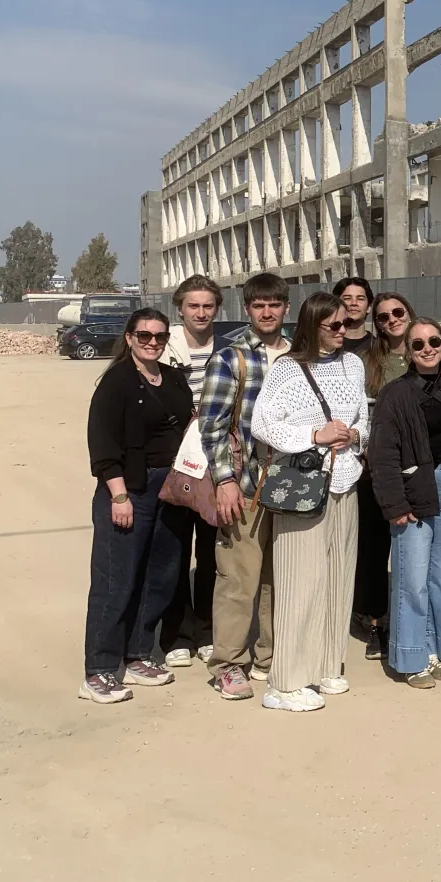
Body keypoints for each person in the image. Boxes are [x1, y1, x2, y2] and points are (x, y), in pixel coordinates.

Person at [250, 292, 369, 712]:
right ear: (312, 325)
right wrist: (314, 436)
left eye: (346, 324)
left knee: (339, 577)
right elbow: (262, 425)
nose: (343, 331)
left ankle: (325, 665)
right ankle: (285, 682)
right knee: (301, 580)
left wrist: (355, 437)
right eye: (334, 325)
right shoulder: (287, 369)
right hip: (303, 483)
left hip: (346, 480)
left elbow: (361, 422)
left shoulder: (353, 365)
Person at [80, 308, 193, 703]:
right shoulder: (116, 383)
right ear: (129, 338)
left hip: (172, 487)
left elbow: (188, 427)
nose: (152, 342)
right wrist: (119, 495)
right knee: (117, 579)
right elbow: (102, 443)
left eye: (159, 336)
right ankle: (99, 669)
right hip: (130, 488)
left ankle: (138, 652)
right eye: (144, 335)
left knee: (159, 574)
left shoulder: (174, 379)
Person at [199, 272, 292, 701]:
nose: (267, 312)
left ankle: (270, 658)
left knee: (279, 579)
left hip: (291, 488)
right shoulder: (231, 357)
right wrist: (225, 482)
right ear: (248, 309)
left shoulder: (299, 354)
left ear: (286, 308)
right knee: (238, 579)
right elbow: (213, 427)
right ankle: (228, 664)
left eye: (274, 304)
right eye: (259, 305)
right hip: (247, 486)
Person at [368, 318, 441, 688]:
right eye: (418, 344)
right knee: (412, 578)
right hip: (413, 489)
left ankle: (435, 648)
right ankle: (412, 657)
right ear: (407, 351)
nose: (427, 349)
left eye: (434, 341)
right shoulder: (396, 393)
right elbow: (382, 453)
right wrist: (394, 503)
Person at [157, 274, 223, 670]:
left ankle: (208, 631)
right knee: (175, 552)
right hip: (175, 463)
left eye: (208, 306)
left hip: (216, 464)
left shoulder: (229, 350)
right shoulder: (163, 349)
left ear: (217, 309)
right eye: (193, 306)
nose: (201, 312)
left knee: (214, 552)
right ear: (179, 309)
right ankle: (176, 635)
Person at [350, 290, 415, 662]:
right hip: (374, 468)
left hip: (418, 468)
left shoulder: (427, 346)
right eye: (383, 317)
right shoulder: (366, 360)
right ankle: (376, 621)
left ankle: (408, 624)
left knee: (413, 551)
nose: (391, 320)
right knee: (374, 550)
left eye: (397, 312)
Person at [333, 276, 375, 355]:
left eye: (360, 298)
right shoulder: (327, 346)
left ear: (369, 307)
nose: (354, 303)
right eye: (347, 298)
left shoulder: (379, 347)